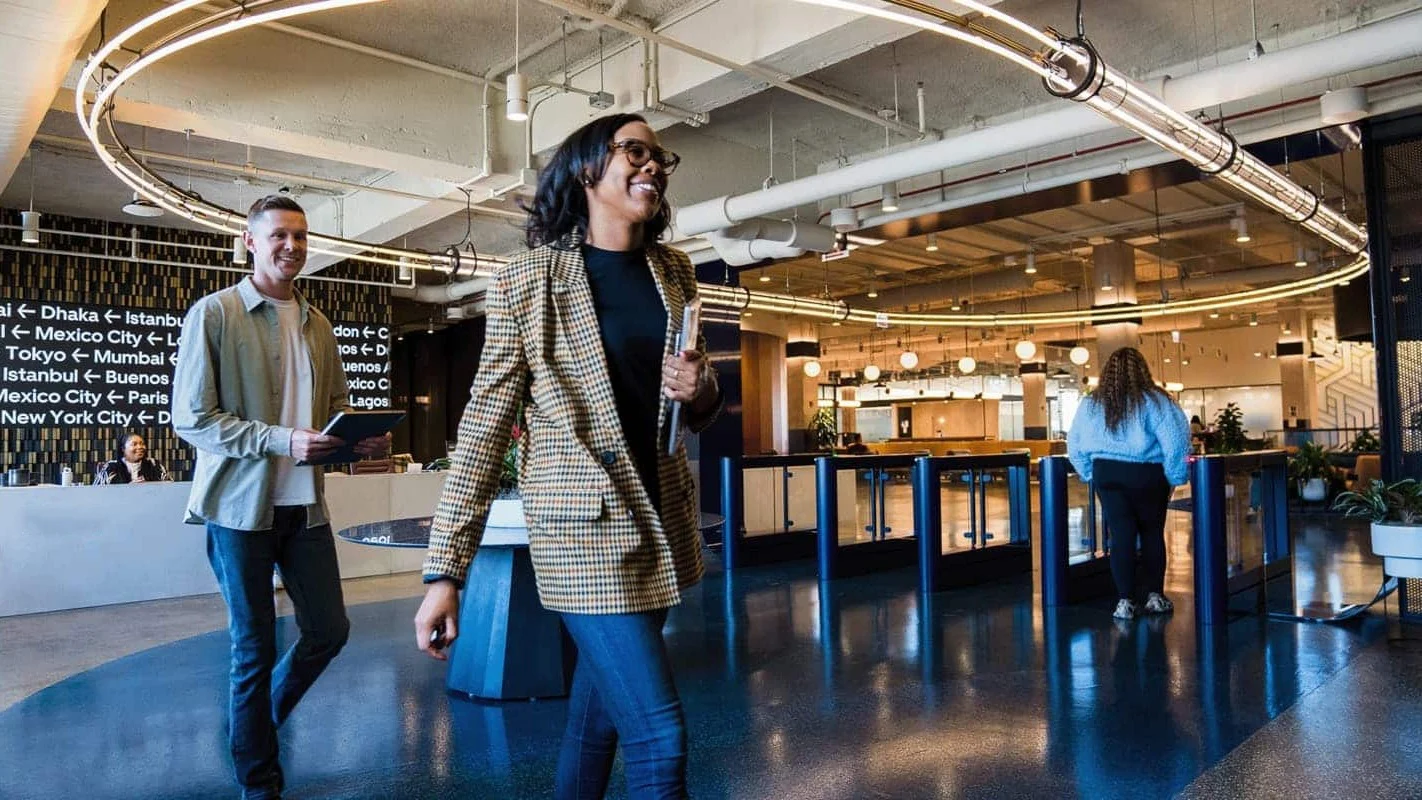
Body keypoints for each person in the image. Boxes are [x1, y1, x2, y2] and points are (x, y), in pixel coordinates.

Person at [415, 113, 721, 800]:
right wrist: (446, 572)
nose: (652, 166)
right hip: (585, 534)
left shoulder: (673, 270)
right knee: (659, 738)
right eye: (633, 151)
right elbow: (485, 429)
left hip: (659, 522)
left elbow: (691, 395)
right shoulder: (529, 282)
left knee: (596, 727)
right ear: (588, 167)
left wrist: (701, 389)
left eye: (659, 156)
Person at [172, 195, 388, 800]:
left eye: (300, 235)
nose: (291, 246)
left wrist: (355, 444)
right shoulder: (213, 315)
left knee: (330, 630)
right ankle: (259, 781)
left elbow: (331, 413)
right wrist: (282, 439)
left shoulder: (318, 324)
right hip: (239, 511)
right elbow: (192, 418)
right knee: (254, 645)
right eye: (279, 236)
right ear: (250, 242)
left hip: (306, 508)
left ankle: (256, 726)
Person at [1067, 347, 1190, 621]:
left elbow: (1074, 443)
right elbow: (1176, 441)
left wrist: (1090, 472)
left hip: (1107, 474)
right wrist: (1175, 476)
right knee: (1151, 533)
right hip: (1147, 475)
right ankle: (1155, 596)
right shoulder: (1157, 401)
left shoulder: (1092, 403)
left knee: (1120, 536)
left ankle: (1124, 602)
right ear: (1143, 369)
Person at [94, 432, 168, 484]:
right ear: (123, 449)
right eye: (134, 444)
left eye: (142, 444)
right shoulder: (110, 467)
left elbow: (170, 486)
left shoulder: (154, 464)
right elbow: (99, 493)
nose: (140, 447)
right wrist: (129, 489)